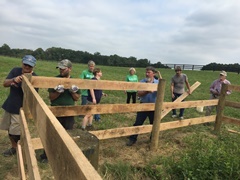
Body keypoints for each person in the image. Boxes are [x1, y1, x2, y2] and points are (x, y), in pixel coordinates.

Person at [40, 59, 80, 162]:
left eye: (63, 68)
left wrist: (72, 91)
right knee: (52, 133)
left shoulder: (75, 81)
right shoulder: (55, 80)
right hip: (55, 111)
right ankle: (47, 155)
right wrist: (58, 92)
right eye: (60, 68)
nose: (61, 70)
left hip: (69, 112)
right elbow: (51, 97)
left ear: (70, 69)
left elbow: (76, 98)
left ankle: (65, 155)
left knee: (68, 134)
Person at [0, 55, 37, 157]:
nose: (27, 67)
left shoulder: (35, 77)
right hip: (10, 105)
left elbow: (33, 96)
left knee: (16, 132)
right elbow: (5, 83)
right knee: (8, 129)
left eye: (29, 66)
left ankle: (21, 149)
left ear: (33, 67)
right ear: (22, 63)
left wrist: (27, 82)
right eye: (25, 64)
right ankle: (14, 148)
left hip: (20, 108)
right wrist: (14, 80)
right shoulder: (15, 71)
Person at [126, 66, 158, 146]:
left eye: (149, 72)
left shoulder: (158, 82)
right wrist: (147, 91)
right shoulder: (142, 81)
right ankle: (132, 139)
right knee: (138, 122)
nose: (147, 74)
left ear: (153, 73)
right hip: (143, 105)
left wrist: (156, 90)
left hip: (154, 106)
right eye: (146, 72)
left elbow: (160, 94)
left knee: (154, 124)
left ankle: (152, 139)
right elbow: (139, 93)